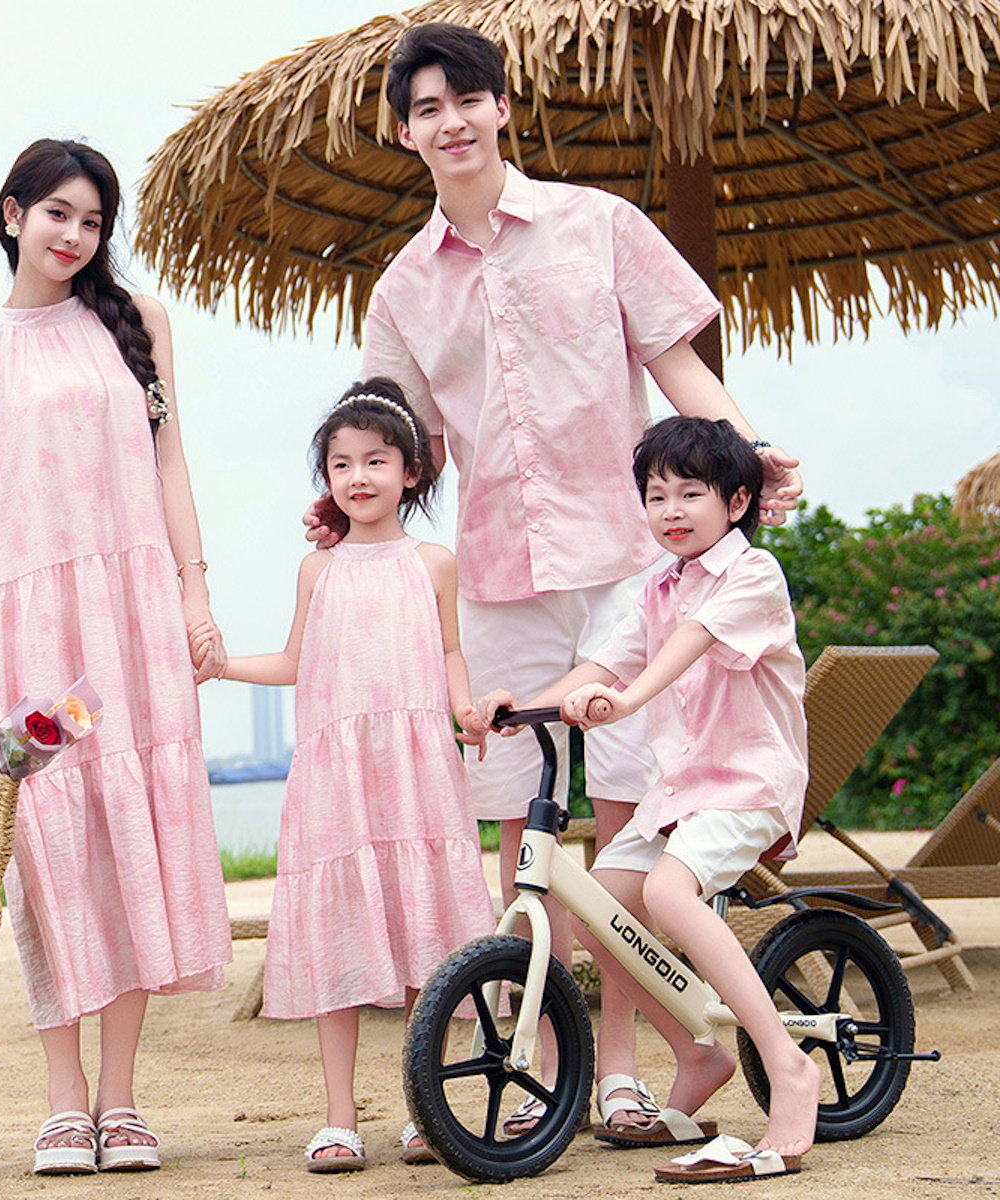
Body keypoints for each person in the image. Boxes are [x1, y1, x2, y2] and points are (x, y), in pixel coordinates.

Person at [305, 20, 804, 1134]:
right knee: (526, 834)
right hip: (497, 577)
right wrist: (340, 497)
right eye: (426, 108)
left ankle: (621, 1069)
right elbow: (392, 429)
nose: (450, 120)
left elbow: (678, 364)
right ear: (405, 133)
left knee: (624, 827)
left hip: (629, 569)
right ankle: (549, 1059)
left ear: (501, 108)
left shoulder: (600, 226)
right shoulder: (400, 289)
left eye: (465, 99)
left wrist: (749, 449)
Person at [0, 139, 232, 1176]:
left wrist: (194, 590)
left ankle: (121, 1098)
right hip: (25, 638)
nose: (74, 235)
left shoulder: (139, 326)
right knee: (46, 847)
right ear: (12, 213)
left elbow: (170, 461)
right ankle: (63, 1102)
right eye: (56, 213)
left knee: (128, 834)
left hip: (130, 626)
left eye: (93, 221)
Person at [474, 415, 818, 1183]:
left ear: (736, 502)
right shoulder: (657, 588)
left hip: (747, 785)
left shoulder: (751, 575)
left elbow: (682, 648)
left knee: (667, 892)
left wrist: (621, 703)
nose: (670, 509)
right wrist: (517, 710)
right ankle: (697, 1048)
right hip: (682, 794)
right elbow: (602, 661)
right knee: (603, 911)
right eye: (656, 495)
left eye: (689, 493)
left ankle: (788, 1067)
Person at [193, 380, 495, 1173]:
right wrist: (222, 668)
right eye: (340, 464)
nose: (358, 476)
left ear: (411, 472)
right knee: (340, 942)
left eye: (375, 460)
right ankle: (336, 1117)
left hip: (418, 770)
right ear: (325, 478)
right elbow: (296, 661)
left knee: (422, 943)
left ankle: (423, 1109)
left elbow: (451, 652)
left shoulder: (434, 562)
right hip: (336, 776)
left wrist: (466, 710)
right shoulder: (316, 570)